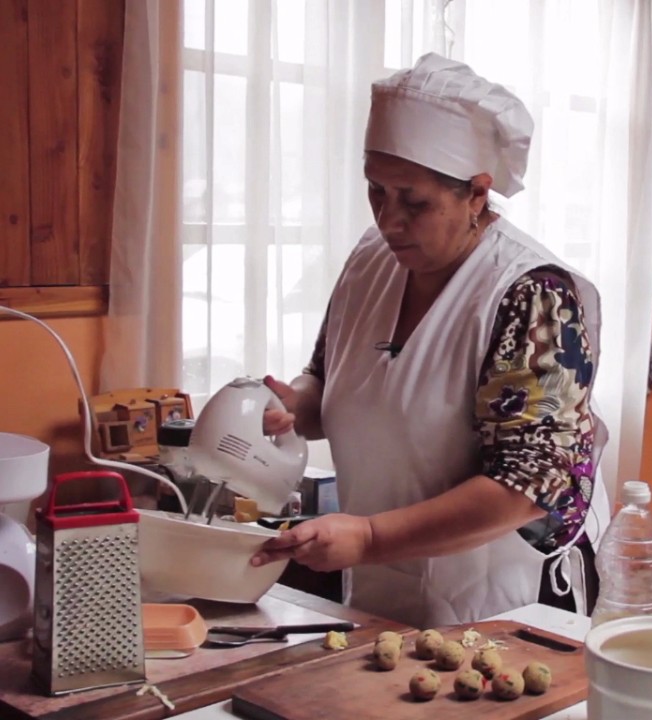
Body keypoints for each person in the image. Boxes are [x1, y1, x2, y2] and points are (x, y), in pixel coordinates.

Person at [251, 52, 609, 629]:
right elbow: (327, 376)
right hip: (383, 581)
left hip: (505, 596)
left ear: (476, 194)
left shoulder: (533, 296)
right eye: (376, 192)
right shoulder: (373, 258)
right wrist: (296, 404)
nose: (390, 220)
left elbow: (523, 489)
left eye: (414, 202)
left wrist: (368, 535)